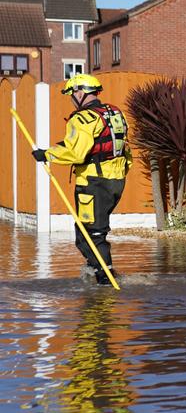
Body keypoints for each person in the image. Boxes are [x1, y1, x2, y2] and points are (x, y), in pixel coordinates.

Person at [32, 73, 131, 285]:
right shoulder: (114, 113)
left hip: (93, 183)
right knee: (90, 231)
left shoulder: (82, 119)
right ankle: (96, 271)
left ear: (79, 93)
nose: (71, 99)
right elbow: (123, 149)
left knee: (91, 234)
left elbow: (76, 154)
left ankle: (105, 280)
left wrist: (46, 155)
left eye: (71, 94)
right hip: (116, 181)